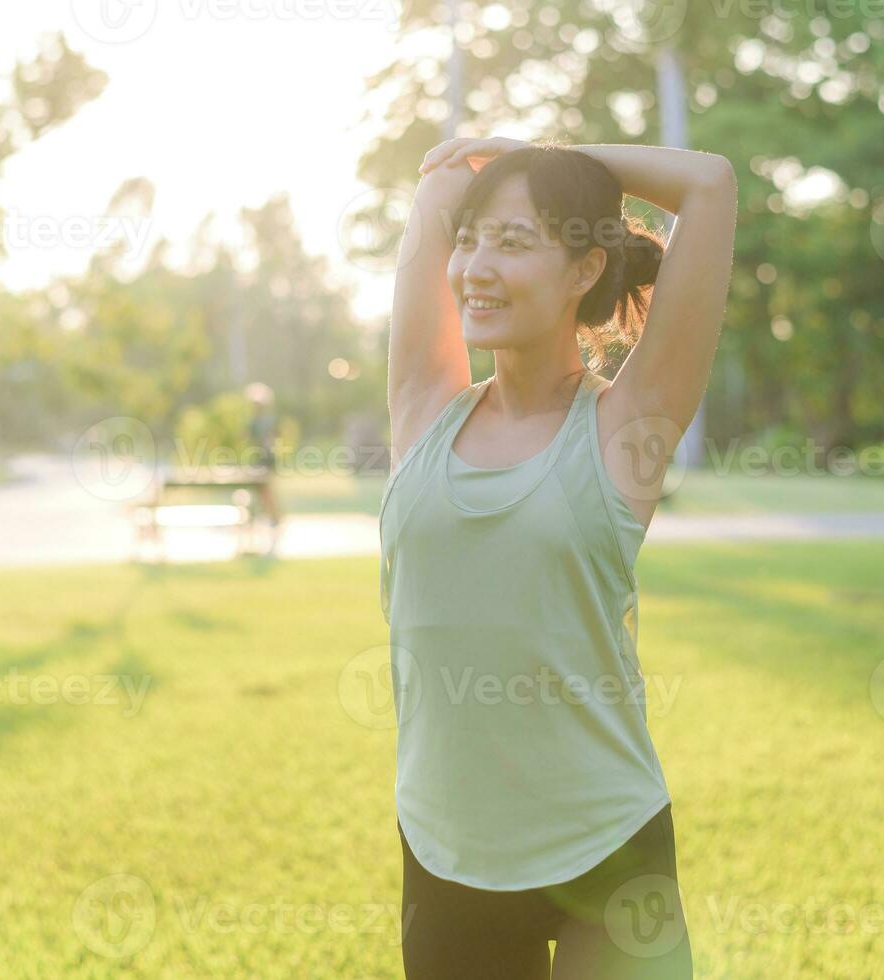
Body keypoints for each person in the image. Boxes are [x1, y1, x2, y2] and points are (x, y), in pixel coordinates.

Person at [379, 137, 736, 977]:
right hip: (444, 845)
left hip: (604, 843)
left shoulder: (626, 428)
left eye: (512, 242)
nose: (473, 266)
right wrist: (483, 186)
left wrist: (546, 155)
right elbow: (436, 186)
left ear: (583, 268)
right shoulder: (422, 408)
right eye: (470, 242)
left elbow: (708, 183)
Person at [243, 382, 283, 555]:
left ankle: (274, 517)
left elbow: (272, 438)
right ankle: (267, 516)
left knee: (266, 490)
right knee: (261, 491)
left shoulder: (268, 421)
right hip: (257, 459)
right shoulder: (254, 421)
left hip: (266, 459)